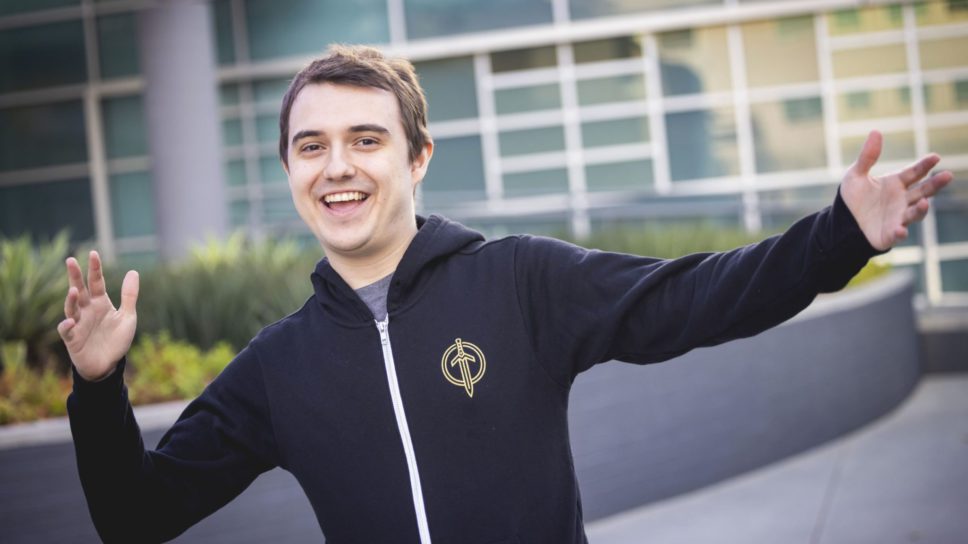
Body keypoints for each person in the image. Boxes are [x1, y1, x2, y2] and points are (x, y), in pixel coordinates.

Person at [59, 45, 953, 544]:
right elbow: (136, 517)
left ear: (418, 158)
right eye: (311, 146)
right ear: (291, 171)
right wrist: (98, 390)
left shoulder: (519, 282)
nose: (337, 167)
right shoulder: (278, 368)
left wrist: (838, 235)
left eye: (367, 140)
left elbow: (699, 298)